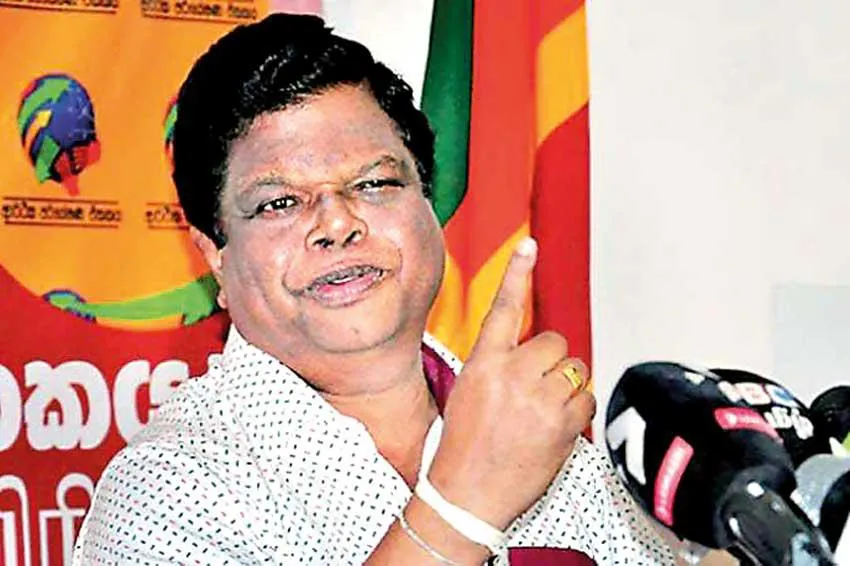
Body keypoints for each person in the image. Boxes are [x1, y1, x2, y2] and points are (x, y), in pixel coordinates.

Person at [73, 13, 674, 565]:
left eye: (374, 184)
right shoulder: (167, 489)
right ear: (215, 258)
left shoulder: (540, 435)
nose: (337, 223)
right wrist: (460, 505)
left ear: (430, 208)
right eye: (280, 203)